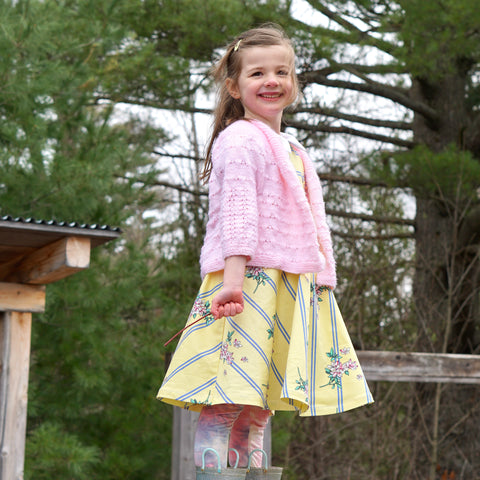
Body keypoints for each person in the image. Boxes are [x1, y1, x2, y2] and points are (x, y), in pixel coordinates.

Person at [157, 24, 374, 478]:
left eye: (282, 71)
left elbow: (309, 222)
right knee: (227, 399)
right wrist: (232, 285)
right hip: (248, 283)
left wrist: (319, 280)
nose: (271, 80)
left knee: (258, 408)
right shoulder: (240, 139)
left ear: (294, 82)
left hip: (290, 282)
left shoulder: (291, 147)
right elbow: (239, 216)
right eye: (257, 73)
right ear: (235, 87)